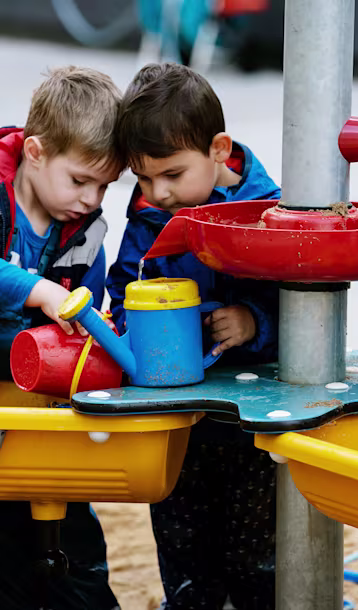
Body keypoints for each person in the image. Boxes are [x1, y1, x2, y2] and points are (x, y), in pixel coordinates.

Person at [107, 62, 280, 609]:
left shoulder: (269, 212)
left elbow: (304, 305)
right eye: (142, 178)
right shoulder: (150, 215)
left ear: (219, 150)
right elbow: (124, 283)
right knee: (181, 541)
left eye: (172, 175)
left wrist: (254, 321)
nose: (156, 192)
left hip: (252, 414)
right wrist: (126, 319)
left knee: (254, 553)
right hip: (178, 410)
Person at [0, 66, 124, 608]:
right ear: (34, 152)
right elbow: (44, 293)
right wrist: (40, 290)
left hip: (41, 406)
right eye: (80, 180)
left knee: (72, 546)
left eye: (104, 186)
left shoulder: (86, 228)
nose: (92, 198)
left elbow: (87, 306)